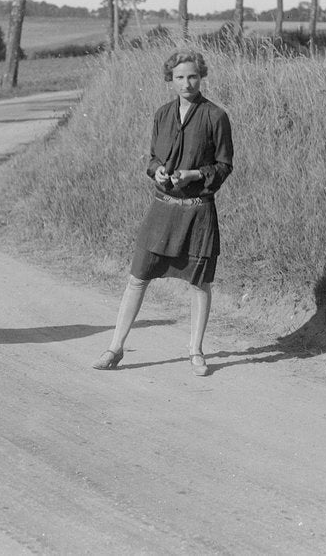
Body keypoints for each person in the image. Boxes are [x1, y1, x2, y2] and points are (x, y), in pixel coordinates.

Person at [93, 50, 234, 377]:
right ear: (170, 79)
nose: (187, 83)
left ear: (202, 77)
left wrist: (195, 175)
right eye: (180, 77)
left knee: (200, 283)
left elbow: (224, 166)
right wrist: (156, 171)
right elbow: (154, 158)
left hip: (198, 213)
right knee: (137, 278)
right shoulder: (161, 114)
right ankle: (115, 348)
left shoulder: (216, 116)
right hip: (162, 210)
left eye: (193, 76)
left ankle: (196, 352)